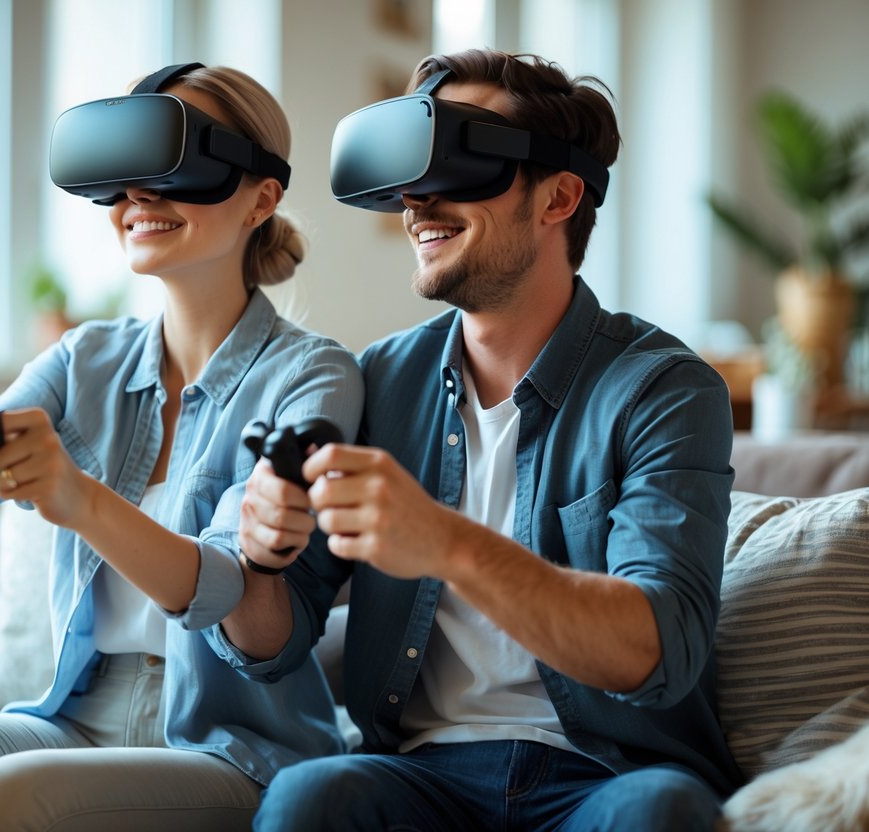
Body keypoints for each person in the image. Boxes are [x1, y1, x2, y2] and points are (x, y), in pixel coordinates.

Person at [0, 63, 362, 832]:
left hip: (231, 746)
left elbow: (235, 589)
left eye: (176, 170)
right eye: (126, 175)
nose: (140, 199)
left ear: (260, 198)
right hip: (74, 713)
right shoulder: (86, 358)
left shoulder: (313, 376)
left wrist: (81, 500)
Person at [219, 48, 742, 831]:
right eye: (408, 173)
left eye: (460, 164)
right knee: (310, 797)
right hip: (418, 777)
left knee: (662, 811)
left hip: (605, 777)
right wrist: (255, 558)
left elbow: (656, 651)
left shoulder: (664, 389)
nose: (417, 202)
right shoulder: (380, 380)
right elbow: (270, 640)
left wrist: (446, 543)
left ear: (559, 196)